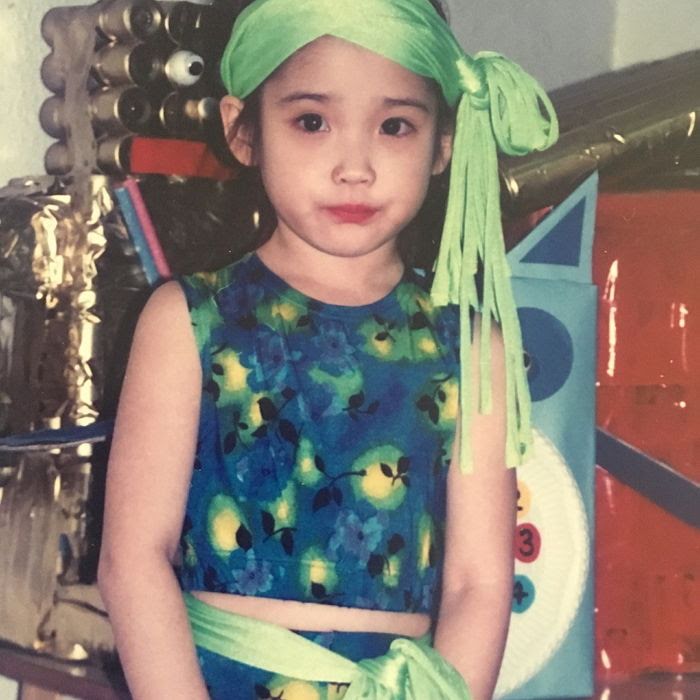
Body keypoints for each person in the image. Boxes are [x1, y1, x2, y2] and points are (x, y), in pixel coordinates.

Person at [97, 1, 557, 698]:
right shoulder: (187, 321)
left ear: (443, 144)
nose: (355, 167)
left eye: (394, 126)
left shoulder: (469, 346)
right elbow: (133, 562)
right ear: (243, 129)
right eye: (312, 121)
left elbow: (478, 584)